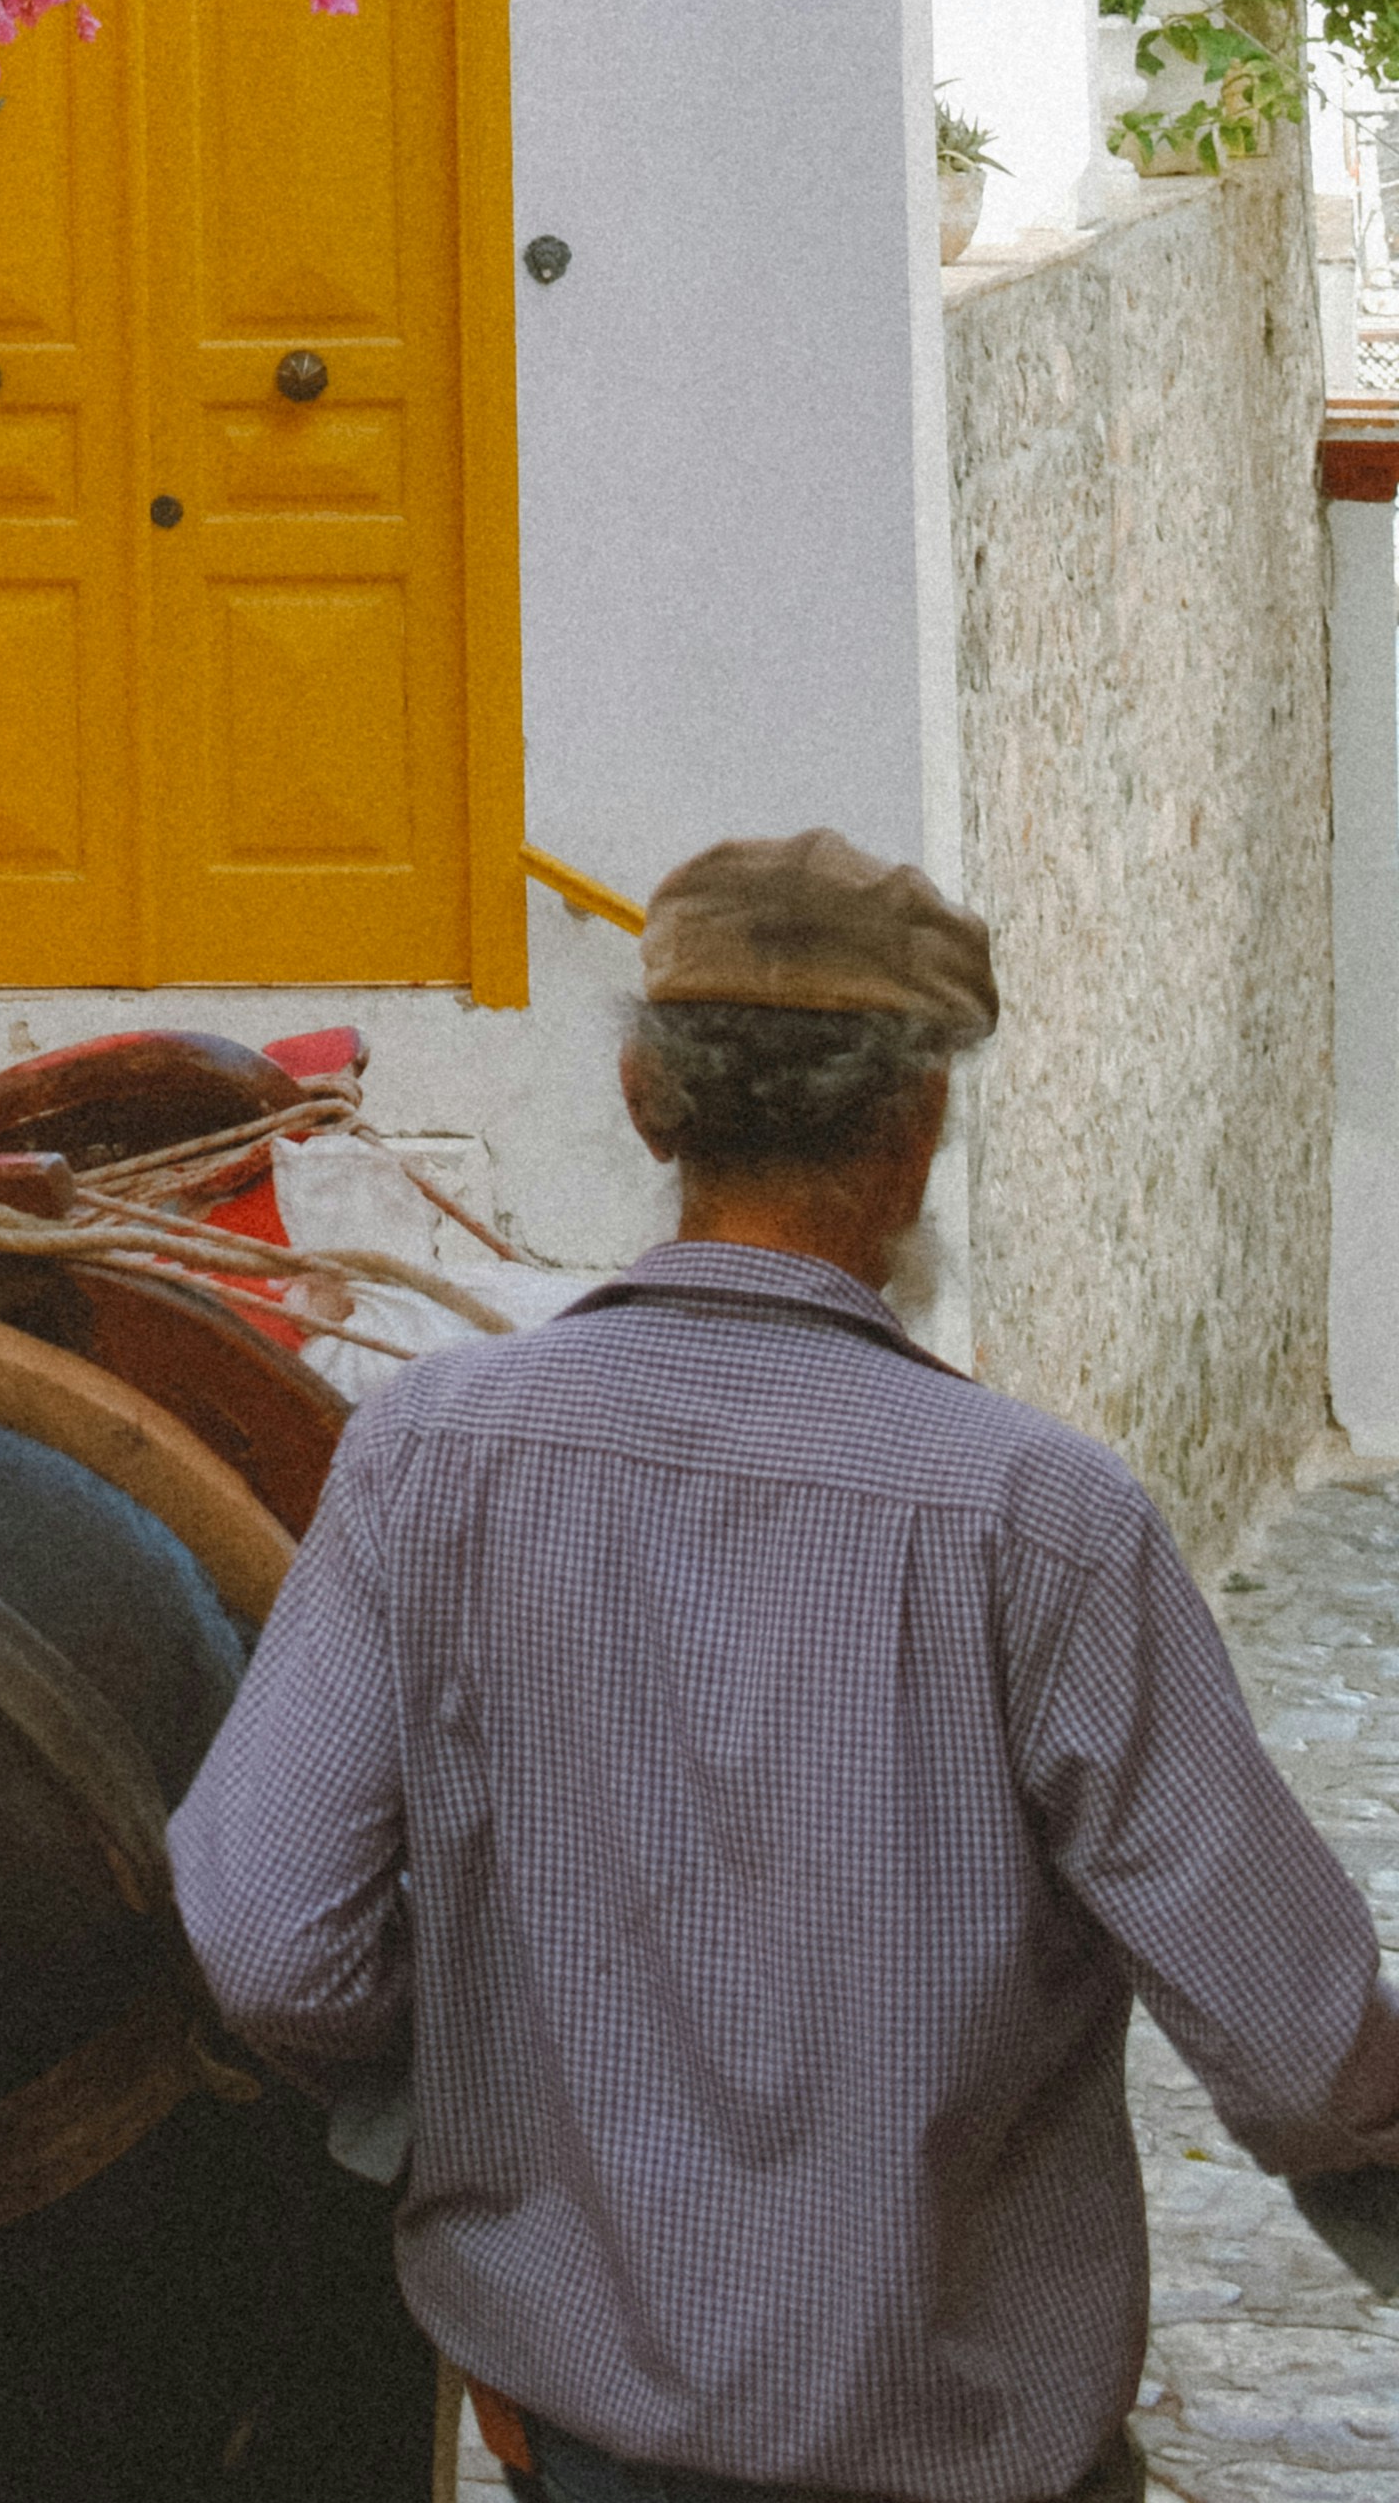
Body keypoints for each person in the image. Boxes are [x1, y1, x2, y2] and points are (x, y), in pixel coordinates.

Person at [167, 824, 1399, 2503]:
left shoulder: (429, 1458)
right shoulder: (1041, 1520)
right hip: (961, 2450)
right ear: (918, 1126)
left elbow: (268, 1941)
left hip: (585, 2435)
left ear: (643, 1101)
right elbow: (1300, 2041)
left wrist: (495, 2112)